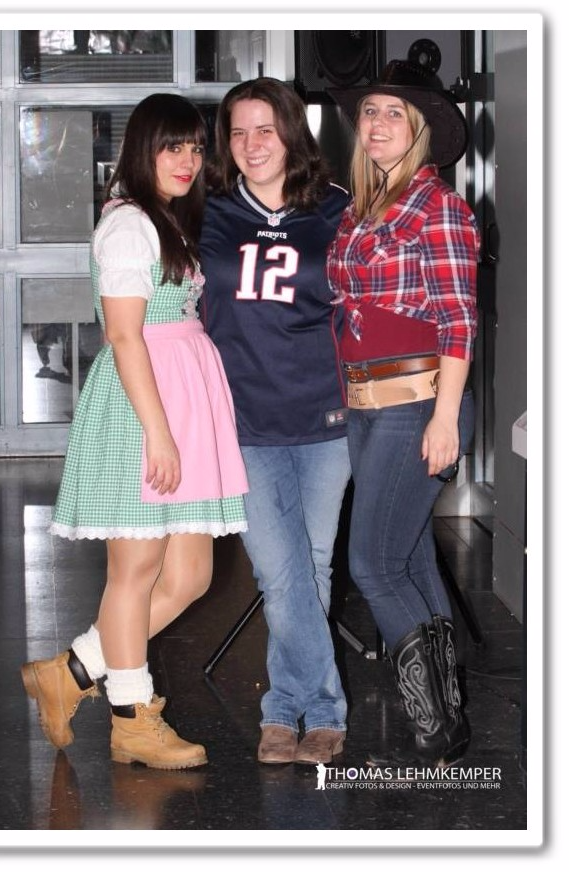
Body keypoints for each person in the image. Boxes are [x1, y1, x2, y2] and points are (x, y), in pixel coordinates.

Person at [21, 93, 249, 770]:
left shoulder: (163, 219)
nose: (187, 160)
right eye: (172, 147)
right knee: (136, 572)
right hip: (143, 408)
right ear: (141, 149)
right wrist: (159, 432)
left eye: (196, 148)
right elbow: (124, 334)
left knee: (190, 575)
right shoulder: (128, 225)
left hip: (181, 401)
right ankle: (132, 720)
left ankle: (70, 671)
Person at [327, 60, 480, 769]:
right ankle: (449, 714)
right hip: (366, 406)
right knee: (410, 556)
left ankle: (436, 725)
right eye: (370, 112)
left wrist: (444, 419)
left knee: (372, 564)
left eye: (394, 113)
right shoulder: (362, 208)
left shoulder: (436, 206)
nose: (378, 123)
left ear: (418, 130)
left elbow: (457, 319)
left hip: (417, 404)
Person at [200, 77, 352, 766]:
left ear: (292, 133)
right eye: (238, 132)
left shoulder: (340, 210)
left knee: (311, 565)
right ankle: (317, 710)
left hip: (327, 417)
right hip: (241, 419)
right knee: (279, 572)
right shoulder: (206, 212)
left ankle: (289, 711)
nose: (251, 144)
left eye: (265, 129)